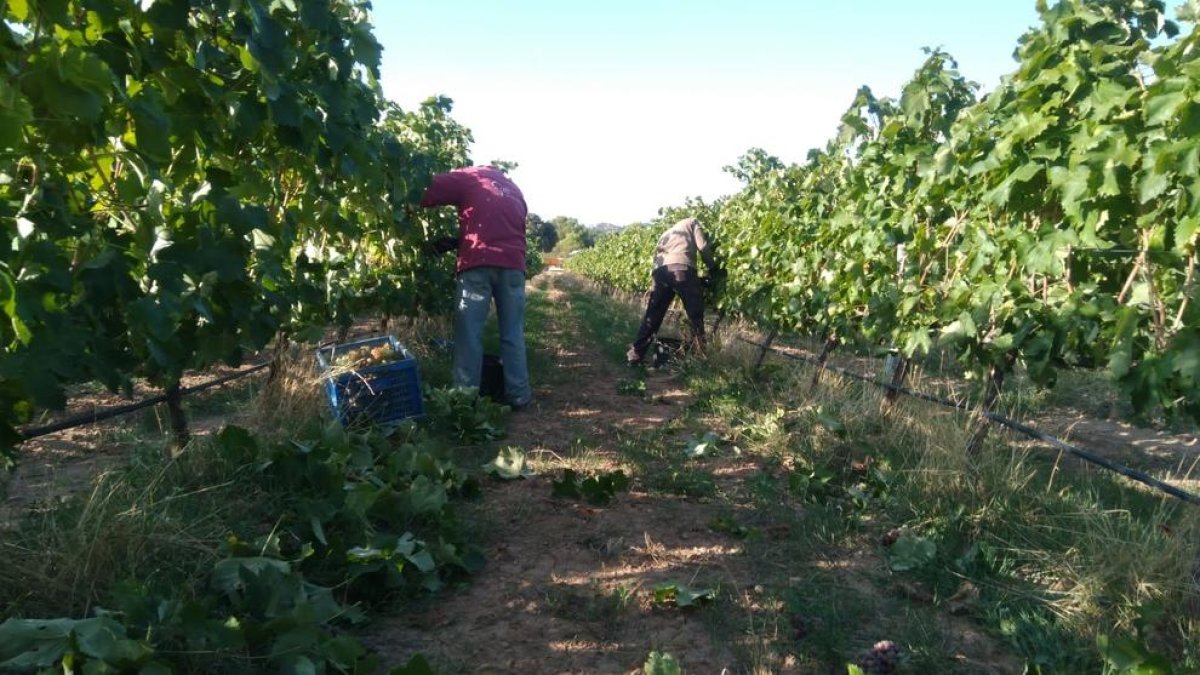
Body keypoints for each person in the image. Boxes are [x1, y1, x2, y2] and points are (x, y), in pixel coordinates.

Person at [420, 165, 533, 409]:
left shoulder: (469, 177)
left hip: (478, 265)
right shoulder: (513, 189)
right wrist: (457, 241)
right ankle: (519, 395)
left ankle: (464, 398)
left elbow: (422, 190)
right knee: (512, 333)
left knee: (469, 333)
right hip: (514, 266)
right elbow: (502, 228)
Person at [626, 216, 719, 366]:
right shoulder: (693, 222)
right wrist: (713, 268)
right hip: (681, 269)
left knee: (653, 315)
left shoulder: (666, 233)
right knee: (695, 315)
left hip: (660, 272)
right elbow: (703, 247)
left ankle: (636, 354)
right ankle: (700, 357)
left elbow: (658, 260)